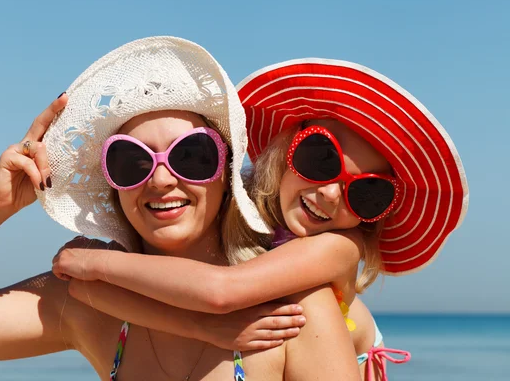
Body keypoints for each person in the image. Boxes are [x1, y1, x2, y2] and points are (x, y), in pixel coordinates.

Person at [0, 37, 361, 380]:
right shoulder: (88, 301)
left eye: (191, 156)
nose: (162, 178)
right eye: (132, 161)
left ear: (225, 169)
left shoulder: (293, 311)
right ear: (112, 182)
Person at [53, 58, 469, 380]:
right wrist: (199, 328)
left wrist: (95, 263)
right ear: (286, 150)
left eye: (366, 191)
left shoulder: (336, 247)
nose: (329, 192)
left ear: (373, 216)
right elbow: (91, 297)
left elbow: (222, 291)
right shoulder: (248, 232)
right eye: (320, 158)